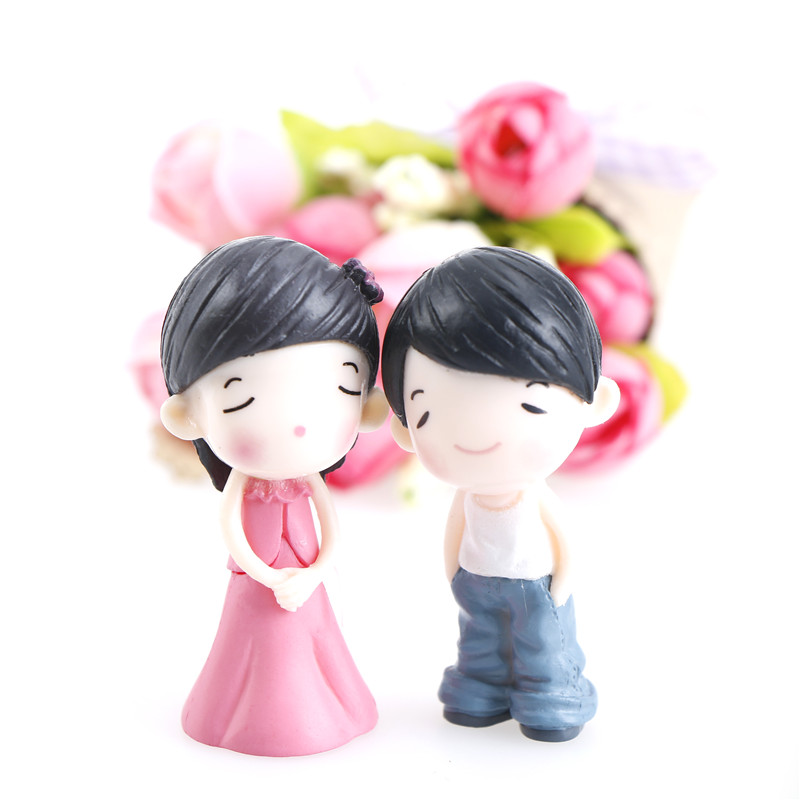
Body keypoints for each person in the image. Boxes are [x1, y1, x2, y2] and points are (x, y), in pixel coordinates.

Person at [382, 246, 620, 742]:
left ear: (595, 401)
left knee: (545, 647)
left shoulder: (535, 494)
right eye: (426, 412)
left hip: (536, 583)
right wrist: (454, 575)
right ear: (405, 429)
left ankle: (552, 700)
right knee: (478, 643)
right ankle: (478, 690)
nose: (475, 432)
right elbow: (455, 528)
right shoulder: (466, 496)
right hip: (476, 580)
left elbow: (562, 537)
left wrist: (562, 584)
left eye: (531, 405)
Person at [160, 236, 387, 756]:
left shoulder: (309, 482)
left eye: (342, 387)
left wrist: (310, 574)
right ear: (188, 414)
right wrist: (265, 576)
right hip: (259, 580)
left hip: (303, 577)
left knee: (314, 636)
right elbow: (232, 531)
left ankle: (331, 708)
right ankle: (245, 716)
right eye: (241, 397)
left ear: (367, 404)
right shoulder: (244, 481)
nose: (298, 423)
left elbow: (330, 532)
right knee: (252, 640)